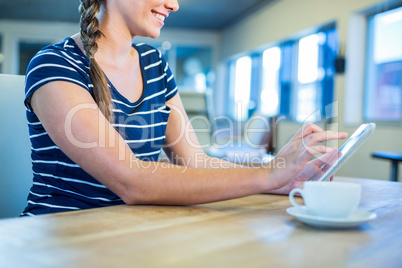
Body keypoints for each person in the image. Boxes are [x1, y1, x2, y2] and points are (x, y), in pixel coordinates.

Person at [21, 0, 347, 216]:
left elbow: (196, 161)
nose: (174, 4)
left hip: (129, 231)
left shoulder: (154, 64)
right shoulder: (55, 65)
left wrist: (284, 180)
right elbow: (132, 181)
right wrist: (269, 173)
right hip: (63, 237)